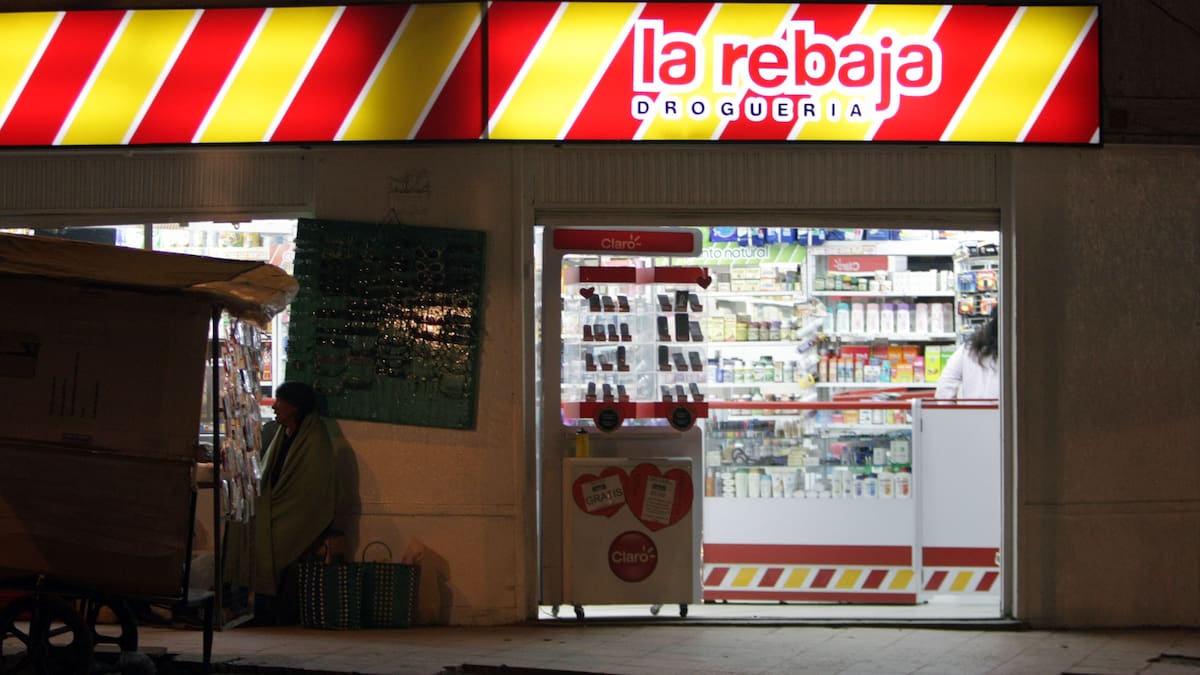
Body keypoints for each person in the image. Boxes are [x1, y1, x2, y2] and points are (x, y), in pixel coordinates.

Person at [223, 381, 336, 624]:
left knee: (266, 538)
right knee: (240, 525)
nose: (274, 407)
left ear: (294, 407)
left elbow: (310, 491)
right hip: (275, 505)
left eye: (279, 402)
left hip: (298, 513)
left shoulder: (314, 438)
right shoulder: (281, 433)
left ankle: (259, 608)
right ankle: (242, 605)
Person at [935, 307, 1000, 400]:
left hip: (971, 411)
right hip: (1003, 412)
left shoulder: (968, 348)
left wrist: (947, 412)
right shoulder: (1015, 350)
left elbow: (946, 383)